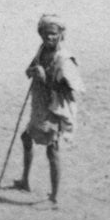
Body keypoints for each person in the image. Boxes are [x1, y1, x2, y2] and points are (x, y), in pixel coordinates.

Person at [14, 13, 83, 206]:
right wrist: (31, 71)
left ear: (61, 34)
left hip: (54, 108)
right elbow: (32, 66)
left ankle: (55, 196)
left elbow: (71, 90)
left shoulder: (64, 59)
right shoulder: (42, 49)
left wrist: (46, 79)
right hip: (39, 105)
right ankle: (25, 181)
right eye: (45, 34)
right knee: (26, 138)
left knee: (52, 150)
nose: (49, 38)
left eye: (52, 34)